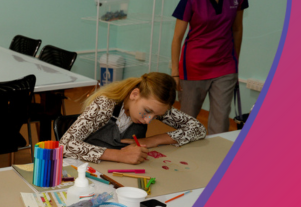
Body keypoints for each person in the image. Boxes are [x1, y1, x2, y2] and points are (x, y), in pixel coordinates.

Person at [59, 72, 206, 164]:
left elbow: (198, 129)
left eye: (156, 116)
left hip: (121, 170)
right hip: (87, 169)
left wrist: (152, 140)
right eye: (147, 111)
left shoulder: (157, 106)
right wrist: (120, 155)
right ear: (134, 95)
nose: (148, 120)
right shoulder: (105, 105)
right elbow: (65, 144)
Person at [171, 0, 248, 135]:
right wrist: (175, 73)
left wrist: (235, 62)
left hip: (225, 66)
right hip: (194, 67)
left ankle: (216, 155)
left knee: (221, 120)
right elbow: (177, 38)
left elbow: (237, 29)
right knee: (187, 121)